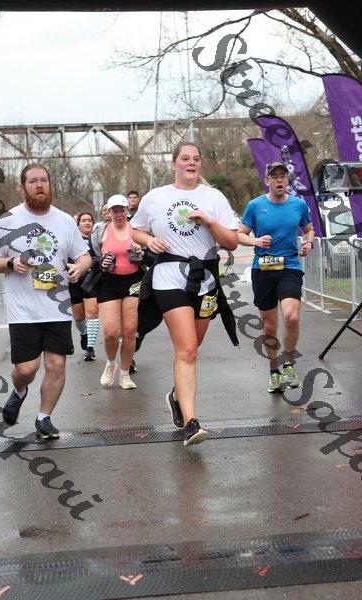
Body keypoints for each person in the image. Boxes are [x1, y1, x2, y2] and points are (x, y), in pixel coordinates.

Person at [131, 141, 238, 446]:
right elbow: (135, 229)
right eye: (185, 158)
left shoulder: (213, 197)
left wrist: (210, 222)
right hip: (169, 276)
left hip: (204, 279)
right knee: (187, 349)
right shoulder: (155, 197)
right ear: (174, 163)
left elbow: (231, 242)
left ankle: (177, 396)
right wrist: (148, 241)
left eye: (196, 159)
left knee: (193, 346)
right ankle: (192, 422)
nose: (191, 163)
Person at [0, 163, 91, 439]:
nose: (40, 185)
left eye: (44, 180)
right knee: (26, 369)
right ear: (23, 186)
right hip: (23, 311)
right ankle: (19, 390)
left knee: (56, 365)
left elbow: (84, 256)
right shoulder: (8, 220)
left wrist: (80, 267)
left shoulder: (64, 221)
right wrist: (10, 262)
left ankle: (44, 418)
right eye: (33, 181)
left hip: (58, 307)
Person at [237, 161, 314, 393]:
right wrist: (256, 241)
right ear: (267, 181)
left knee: (291, 316)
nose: (279, 179)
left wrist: (308, 243)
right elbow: (240, 235)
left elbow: (308, 229)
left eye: (283, 176)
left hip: (290, 266)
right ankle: (274, 371)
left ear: (287, 180)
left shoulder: (298, 205)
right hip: (263, 269)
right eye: (275, 176)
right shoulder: (255, 206)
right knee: (269, 326)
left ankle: (289, 364)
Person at [86, 194, 144, 390]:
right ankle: (111, 364)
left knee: (129, 330)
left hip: (133, 282)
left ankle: (125, 374)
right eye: (115, 211)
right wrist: (101, 262)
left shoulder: (137, 230)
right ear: (109, 212)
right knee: (111, 332)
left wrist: (140, 256)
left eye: (122, 210)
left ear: (127, 211)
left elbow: (151, 254)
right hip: (108, 282)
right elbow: (90, 258)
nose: (119, 214)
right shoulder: (100, 232)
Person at [69, 212, 100, 361]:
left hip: (92, 279)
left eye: (89, 220)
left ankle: (90, 347)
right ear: (78, 224)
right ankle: (83, 334)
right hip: (75, 280)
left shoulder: (97, 239)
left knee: (92, 313)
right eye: (83, 221)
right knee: (79, 317)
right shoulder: (72, 240)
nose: (87, 223)